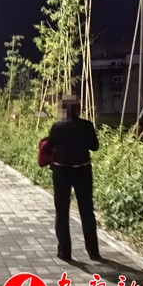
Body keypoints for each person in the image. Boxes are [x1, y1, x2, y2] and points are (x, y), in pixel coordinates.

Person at [43, 95, 100, 262]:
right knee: (87, 211)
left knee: (62, 212)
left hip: (61, 172)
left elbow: (47, 149)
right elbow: (94, 147)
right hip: (83, 171)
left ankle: (65, 252)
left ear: (63, 109)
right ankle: (93, 251)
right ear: (78, 109)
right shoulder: (86, 126)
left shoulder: (57, 127)